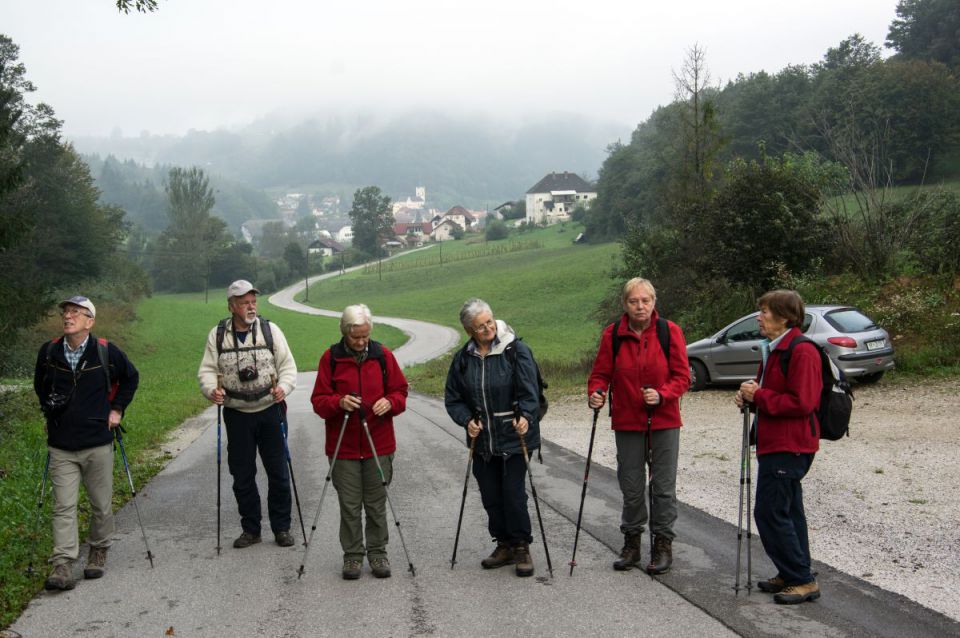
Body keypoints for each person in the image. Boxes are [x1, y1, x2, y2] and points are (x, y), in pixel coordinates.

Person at [33, 295, 140, 591]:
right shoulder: (49, 351)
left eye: (76, 313)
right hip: (61, 443)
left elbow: (131, 378)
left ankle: (98, 550)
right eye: (66, 312)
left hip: (96, 441)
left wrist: (117, 409)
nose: (68, 317)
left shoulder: (106, 352)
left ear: (90, 321)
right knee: (63, 505)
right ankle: (63, 562)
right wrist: (49, 411)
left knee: (100, 505)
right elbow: (40, 385)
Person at [587, 277, 689, 574]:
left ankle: (662, 545)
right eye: (634, 301)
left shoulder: (669, 332)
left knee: (663, 487)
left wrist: (663, 394)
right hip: (628, 421)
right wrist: (596, 393)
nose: (640, 306)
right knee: (631, 486)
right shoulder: (613, 335)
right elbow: (600, 373)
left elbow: (683, 377)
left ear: (654, 302)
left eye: (645, 301)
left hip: (664, 420)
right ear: (625, 304)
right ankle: (631, 543)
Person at [735, 289, 822, 605]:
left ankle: (802, 578)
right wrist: (750, 397)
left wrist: (757, 397)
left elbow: (803, 402)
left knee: (770, 512)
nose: (759, 317)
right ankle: (793, 572)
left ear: (785, 317)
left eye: (765, 312)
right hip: (778, 443)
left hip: (791, 445)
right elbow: (772, 396)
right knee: (789, 511)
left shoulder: (801, 352)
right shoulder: (775, 349)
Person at [444, 298, 542, 577]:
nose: (487, 328)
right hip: (483, 439)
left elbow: (530, 392)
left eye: (489, 321)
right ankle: (504, 544)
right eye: (480, 326)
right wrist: (466, 420)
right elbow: (453, 399)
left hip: (514, 434)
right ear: (469, 331)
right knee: (490, 494)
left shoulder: (516, 350)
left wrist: (526, 416)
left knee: (513, 493)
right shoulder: (463, 359)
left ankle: (522, 545)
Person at [310, 304, 408, 580]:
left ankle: (377, 553)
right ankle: (352, 556)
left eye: (365, 336)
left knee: (377, 503)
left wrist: (389, 403)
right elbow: (318, 402)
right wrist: (339, 402)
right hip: (344, 447)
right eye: (356, 337)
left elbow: (400, 392)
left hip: (379, 444)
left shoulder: (383, 356)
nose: (362, 341)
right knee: (350, 505)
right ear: (345, 332)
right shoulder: (331, 358)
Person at [198, 280, 298, 549]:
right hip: (237, 414)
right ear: (232, 306)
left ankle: (282, 528)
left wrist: (284, 387)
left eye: (253, 301)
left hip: (270, 409)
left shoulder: (270, 330)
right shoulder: (218, 335)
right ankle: (251, 529)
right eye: (244, 302)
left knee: (278, 472)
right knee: (242, 474)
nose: (251, 306)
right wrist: (211, 390)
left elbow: (288, 366)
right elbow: (207, 370)